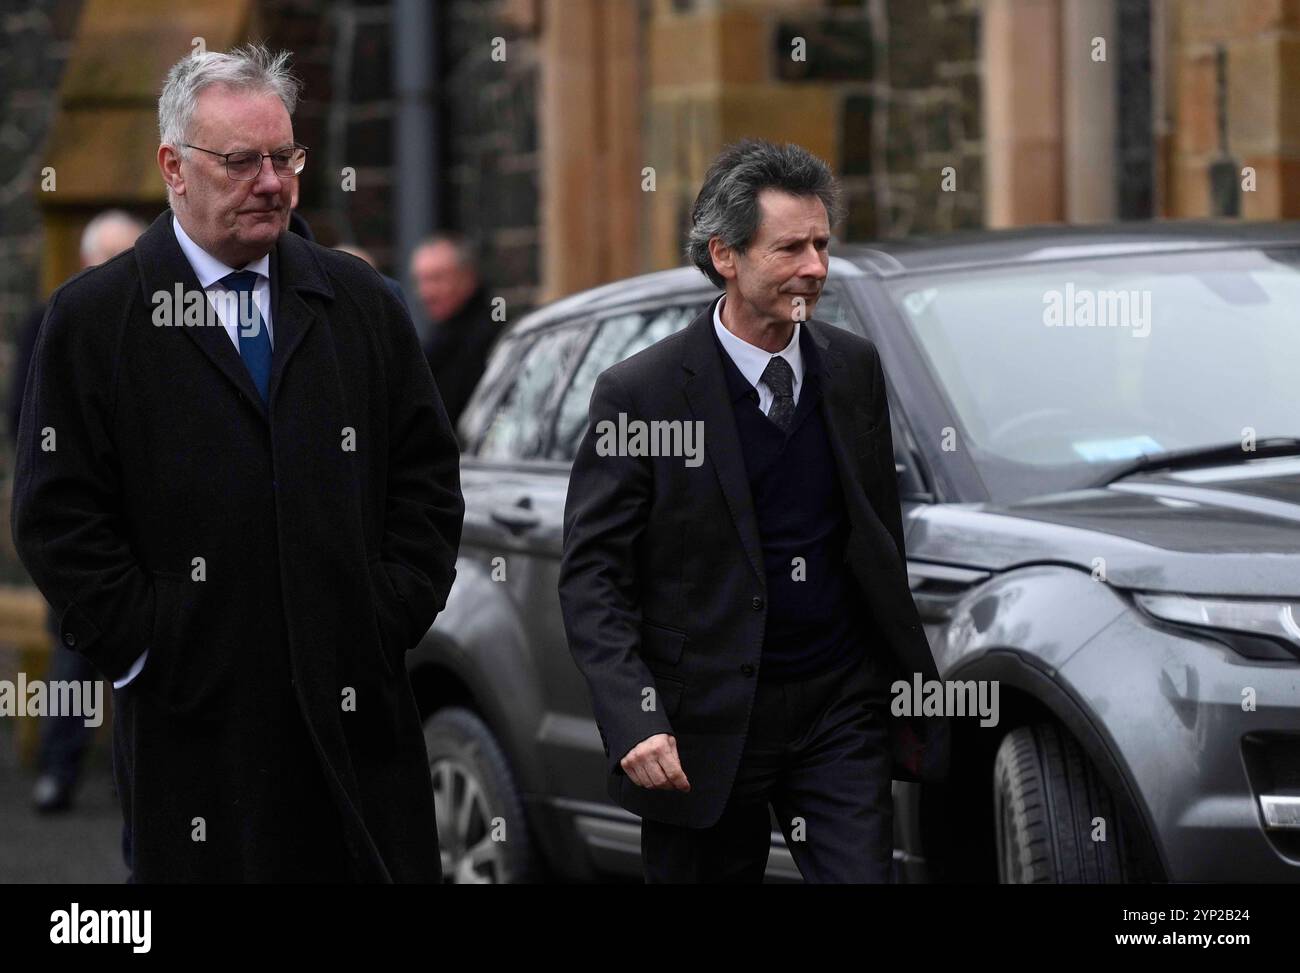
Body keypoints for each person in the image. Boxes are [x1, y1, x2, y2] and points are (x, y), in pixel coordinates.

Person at [11, 44, 464, 882]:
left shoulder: (360, 302)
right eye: (241, 160)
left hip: (355, 714)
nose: (272, 181)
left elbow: (427, 480)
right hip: (197, 734)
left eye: (285, 156)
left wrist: (384, 612)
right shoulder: (94, 320)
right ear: (173, 167)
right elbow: (56, 514)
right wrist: (154, 645)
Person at [558, 139, 950, 883]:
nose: (815, 267)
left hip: (839, 713)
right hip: (700, 726)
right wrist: (634, 716)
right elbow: (593, 577)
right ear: (726, 256)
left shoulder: (852, 366)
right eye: (790, 247)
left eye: (822, 244)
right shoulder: (641, 393)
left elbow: (874, 534)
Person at [10, 210, 145, 814]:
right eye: (110, 255)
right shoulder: (56, 316)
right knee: (76, 649)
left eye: (129, 254)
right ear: (88, 257)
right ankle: (58, 770)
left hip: (151, 517)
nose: (119, 267)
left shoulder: (159, 314)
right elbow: (23, 415)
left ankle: (138, 782)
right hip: (88, 514)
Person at [410, 234, 501, 428]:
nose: (426, 293)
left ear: (467, 278)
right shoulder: (440, 339)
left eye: (437, 279)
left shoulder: (490, 338)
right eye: (421, 281)